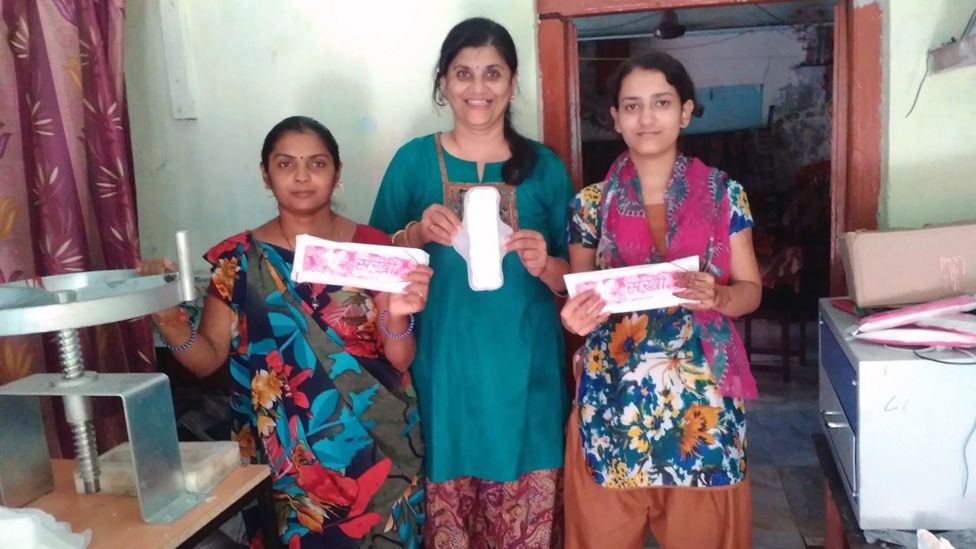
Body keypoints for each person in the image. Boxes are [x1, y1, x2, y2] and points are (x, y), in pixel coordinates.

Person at [139, 116, 431, 548]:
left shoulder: (374, 249)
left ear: (337, 173)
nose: (301, 177)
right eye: (285, 164)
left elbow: (400, 357)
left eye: (316, 164)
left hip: (381, 453)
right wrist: (168, 320)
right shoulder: (238, 259)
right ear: (265, 174)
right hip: (284, 471)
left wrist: (400, 316)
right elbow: (208, 358)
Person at [368, 17, 574, 549]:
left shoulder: (544, 168)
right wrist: (413, 231)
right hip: (443, 372)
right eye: (463, 73)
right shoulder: (414, 162)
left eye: (492, 74)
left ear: (512, 82)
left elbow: (580, 282)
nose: (478, 89)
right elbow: (369, 267)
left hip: (527, 373)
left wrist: (544, 261)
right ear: (443, 82)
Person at [559, 52, 763, 549]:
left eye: (661, 103)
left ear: (686, 111)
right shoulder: (589, 204)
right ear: (615, 118)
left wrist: (718, 295)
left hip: (701, 401)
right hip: (613, 397)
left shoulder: (724, 195)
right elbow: (583, 294)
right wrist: (574, 319)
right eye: (631, 106)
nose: (646, 118)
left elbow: (750, 291)